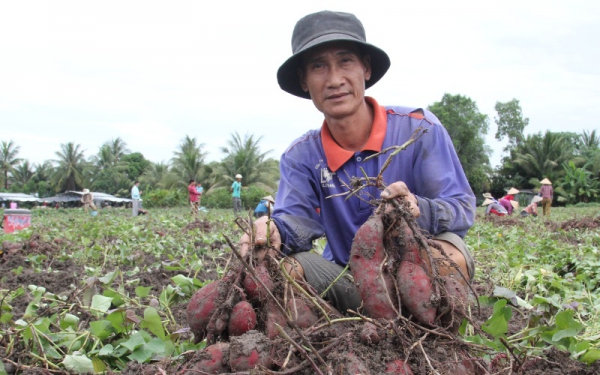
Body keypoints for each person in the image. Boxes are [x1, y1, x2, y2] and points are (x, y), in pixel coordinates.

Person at [239, 10, 476, 314]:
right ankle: (353, 329)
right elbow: (297, 221)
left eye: (345, 61)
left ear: (365, 68)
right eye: (318, 66)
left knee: (450, 260)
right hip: (347, 281)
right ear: (303, 80)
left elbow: (462, 206)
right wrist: (274, 230)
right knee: (280, 269)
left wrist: (418, 208)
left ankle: (431, 331)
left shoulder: (418, 130)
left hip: (417, 272)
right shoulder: (301, 156)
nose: (335, 79)